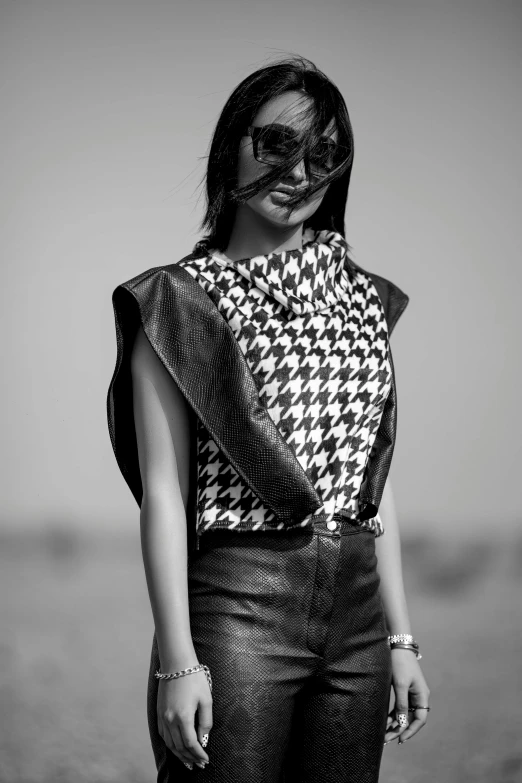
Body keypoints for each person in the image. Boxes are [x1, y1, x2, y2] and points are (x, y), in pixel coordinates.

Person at [107, 55, 430, 783]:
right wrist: (178, 660)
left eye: (323, 152)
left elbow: (372, 483)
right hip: (239, 602)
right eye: (278, 143)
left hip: (358, 617)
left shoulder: (367, 302)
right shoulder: (178, 301)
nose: (299, 170)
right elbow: (166, 493)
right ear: (234, 145)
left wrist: (401, 637)